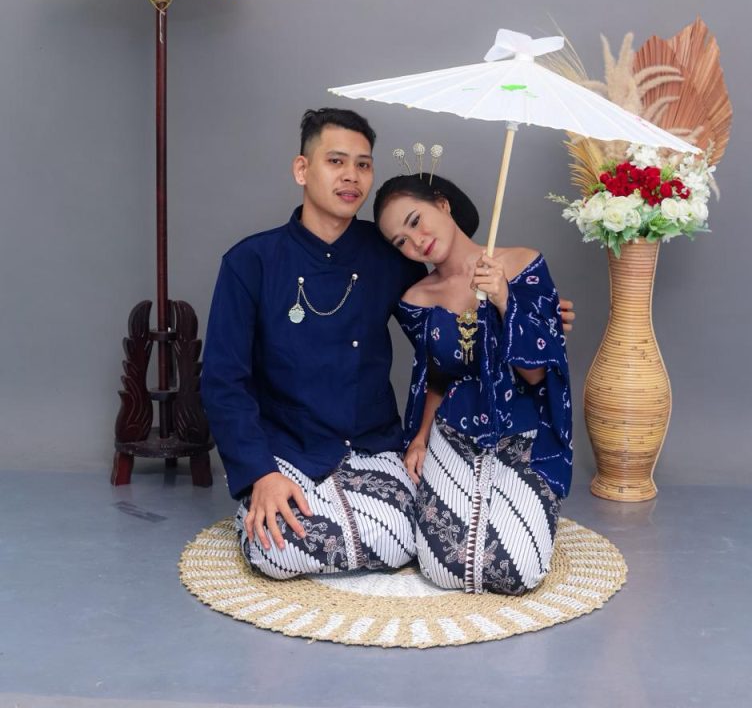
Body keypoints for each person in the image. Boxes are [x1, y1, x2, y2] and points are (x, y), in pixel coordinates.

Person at [202, 107, 575, 582]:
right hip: (285, 447)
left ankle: (340, 519)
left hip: (369, 447)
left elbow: (454, 324)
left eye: (363, 164)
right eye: (336, 161)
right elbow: (223, 381)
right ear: (302, 169)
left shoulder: (389, 253)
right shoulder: (250, 262)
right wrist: (260, 473)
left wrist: (533, 312)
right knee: (278, 549)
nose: (351, 176)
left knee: (402, 539)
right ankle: (270, 513)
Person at [374, 173, 572, 595]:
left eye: (416, 220)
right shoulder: (416, 300)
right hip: (453, 429)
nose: (416, 241)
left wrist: (503, 299)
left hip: (521, 429)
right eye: (401, 241)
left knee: (518, 568)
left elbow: (537, 375)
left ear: (442, 204)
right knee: (442, 566)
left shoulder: (523, 264)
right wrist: (420, 439)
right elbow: (437, 378)